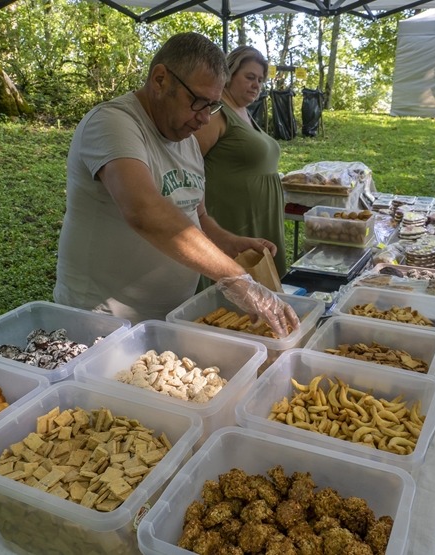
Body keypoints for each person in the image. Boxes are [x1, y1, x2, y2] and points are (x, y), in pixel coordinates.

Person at [54, 32, 299, 337]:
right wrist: (235, 277)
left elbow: (197, 216)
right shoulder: (112, 123)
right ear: (160, 80)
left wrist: (229, 242)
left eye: (212, 106)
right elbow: (143, 210)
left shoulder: (186, 138)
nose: (204, 119)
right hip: (105, 320)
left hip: (171, 315)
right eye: (198, 101)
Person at [194, 45, 287, 278]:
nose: (257, 84)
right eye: (250, 77)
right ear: (229, 75)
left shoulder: (243, 112)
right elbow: (188, 162)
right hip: (233, 221)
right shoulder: (217, 114)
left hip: (259, 217)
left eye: (260, 80)